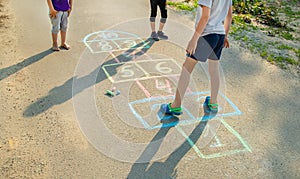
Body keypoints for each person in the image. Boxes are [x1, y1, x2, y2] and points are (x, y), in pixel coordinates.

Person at [160, 0, 232, 115]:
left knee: (186, 68)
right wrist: (225, 36)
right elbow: (229, 16)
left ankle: (176, 105)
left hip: (207, 35)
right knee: (214, 69)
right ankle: (213, 103)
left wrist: (194, 40)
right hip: (220, 35)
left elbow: (205, 17)